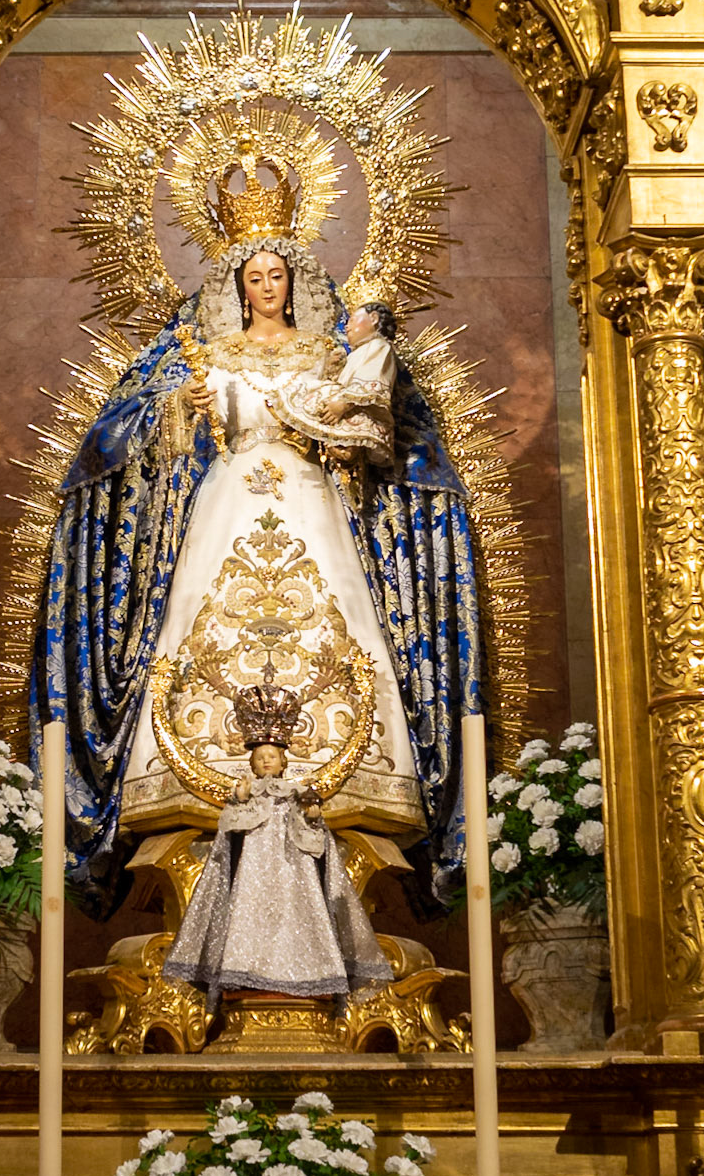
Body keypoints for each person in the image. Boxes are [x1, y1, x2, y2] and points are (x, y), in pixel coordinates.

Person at [30, 213, 484, 912]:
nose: (268, 286)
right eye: (255, 278)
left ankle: (351, 778)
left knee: (340, 619)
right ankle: (194, 776)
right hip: (228, 497)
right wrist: (181, 408)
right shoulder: (209, 354)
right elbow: (149, 437)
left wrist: (346, 419)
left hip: (312, 502)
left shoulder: (326, 352)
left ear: (294, 284)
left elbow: (367, 426)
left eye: (277, 275)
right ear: (238, 289)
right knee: (199, 620)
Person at [161, 677, 391, 1011]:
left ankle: (307, 973)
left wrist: (312, 817)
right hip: (252, 875)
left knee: (296, 918)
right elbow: (230, 837)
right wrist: (240, 803)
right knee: (248, 918)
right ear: (251, 764)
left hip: (293, 873)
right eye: (259, 757)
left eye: (271, 756)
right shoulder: (246, 795)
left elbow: (314, 841)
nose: (265, 761)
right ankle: (244, 971)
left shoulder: (296, 795)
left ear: (284, 761)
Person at [270, 300, 397, 470]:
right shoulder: (359, 352)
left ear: (373, 318)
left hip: (359, 413)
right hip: (346, 415)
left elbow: (371, 382)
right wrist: (333, 369)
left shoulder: (379, 346)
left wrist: (342, 405)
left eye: (352, 320)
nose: (347, 326)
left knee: (316, 390)